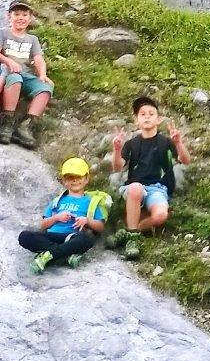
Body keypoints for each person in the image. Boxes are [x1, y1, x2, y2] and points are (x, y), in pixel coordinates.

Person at [109, 96, 190, 261]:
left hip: (158, 189)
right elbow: (117, 167)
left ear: (158, 119)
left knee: (161, 215)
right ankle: (133, 241)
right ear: (136, 120)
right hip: (134, 189)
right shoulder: (131, 144)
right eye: (142, 114)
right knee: (136, 188)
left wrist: (178, 143)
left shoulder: (166, 142)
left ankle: (129, 232)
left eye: (151, 114)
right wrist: (116, 149)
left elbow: (185, 160)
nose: (147, 117)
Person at [17, 157, 109, 274]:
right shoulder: (57, 201)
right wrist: (56, 218)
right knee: (24, 236)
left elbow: (100, 227)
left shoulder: (91, 201)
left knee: (87, 239)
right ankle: (65, 255)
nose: (75, 180)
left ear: (86, 179)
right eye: (70, 177)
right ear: (64, 181)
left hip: (72, 237)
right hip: (52, 236)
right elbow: (43, 225)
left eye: (79, 177)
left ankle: (48, 255)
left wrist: (87, 221)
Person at [0, 1, 53, 149]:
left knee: (45, 87)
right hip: (7, 72)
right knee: (15, 78)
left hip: (26, 73)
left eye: (24, 15)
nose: (21, 18)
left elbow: (38, 59)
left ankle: (26, 126)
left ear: (30, 19)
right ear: (9, 17)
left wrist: (42, 74)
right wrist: (8, 61)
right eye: (16, 14)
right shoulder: (2, 32)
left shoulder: (32, 39)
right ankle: (7, 123)